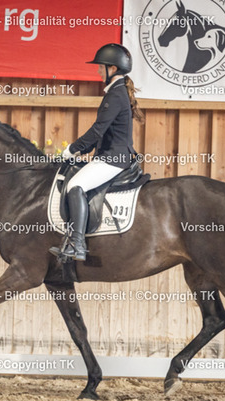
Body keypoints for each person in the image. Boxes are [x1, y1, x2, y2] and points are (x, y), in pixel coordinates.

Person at [50, 43, 145, 262]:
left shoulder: (116, 94)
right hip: (110, 155)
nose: (98, 71)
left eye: (101, 67)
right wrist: (81, 150)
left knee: (75, 186)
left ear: (113, 69)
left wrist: (72, 149)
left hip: (113, 159)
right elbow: (103, 133)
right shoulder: (117, 92)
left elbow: (97, 130)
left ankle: (77, 244)